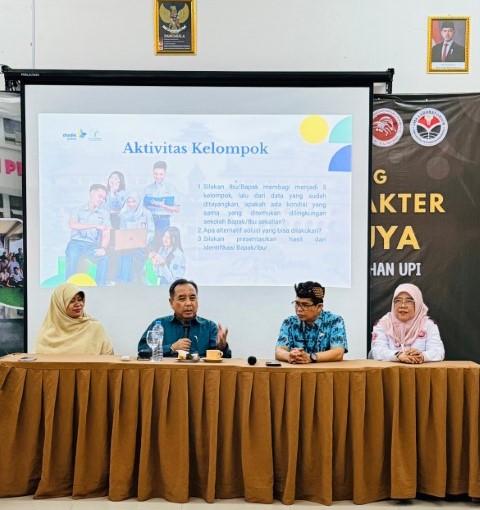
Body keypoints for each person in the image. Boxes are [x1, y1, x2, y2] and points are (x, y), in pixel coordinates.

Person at [138, 278, 231, 357]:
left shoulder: (209, 327)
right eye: (182, 299)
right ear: (171, 302)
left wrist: (222, 347)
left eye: (192, 298)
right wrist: (171, 348)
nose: (188, 303)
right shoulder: (159, 325)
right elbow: (143, 351)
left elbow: (224, 360)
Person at [275, 281, 347, 364]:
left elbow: (338, 353)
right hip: (297, 371)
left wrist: (310, 357)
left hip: (325, 371)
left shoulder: (335, 321)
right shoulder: (289, 322)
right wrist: (289, 356)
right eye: (297, 304)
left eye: (305, 305)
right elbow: (279, 351)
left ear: (319, 307)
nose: (299, 309)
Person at [371, 283, 445, 363]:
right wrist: (398, 355)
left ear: (418, 303)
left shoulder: (428, 324)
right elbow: (377, 351)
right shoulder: (383, 324)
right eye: (398, 301)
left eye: (409, 301)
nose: (403, 305)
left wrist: (422, 356)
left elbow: (438, 351)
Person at [35, 282, 114, 354]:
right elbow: (39, 361)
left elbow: (108, 357)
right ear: (59, 305)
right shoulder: (47, 334)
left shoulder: (94, 327)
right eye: (71, 301)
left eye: (80, 300)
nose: (78, 304)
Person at [65, 183, 111, 286]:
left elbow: (106, 233)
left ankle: (100, 288)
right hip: (76, 243)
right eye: (99, 196)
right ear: (91, 193)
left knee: (104, 259)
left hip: (92, 245)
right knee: (72, 257)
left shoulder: (104, 214)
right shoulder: (77, 210)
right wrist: (95, 226)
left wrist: (103, 248)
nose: (101, 200)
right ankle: (69, 288)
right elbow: (73, 225)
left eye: (103, 198)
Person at [116, 191, 155, 283]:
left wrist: (143, 242)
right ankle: (124, 281)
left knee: (136, 253)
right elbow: (122, 231)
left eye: (134, 202)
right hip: (128, 245)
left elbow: (151, 232)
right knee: (123, 254)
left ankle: (137, 279)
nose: (131, 204)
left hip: (144, 244)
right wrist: (127, 242)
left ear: (139, 201)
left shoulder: (147, 213)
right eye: (129, 202)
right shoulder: (124, 214)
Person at [143, 161, 180, 249]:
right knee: (148, 245)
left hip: (163, 221)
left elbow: (177, 209)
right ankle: (149, 259)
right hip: (150, 220)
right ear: (153, 173)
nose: (158, 176)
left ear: (165, 174)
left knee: (162, 245)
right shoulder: (147, 189)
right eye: (156, 174)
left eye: (161, 174)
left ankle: (161, 258)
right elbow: (142, 206)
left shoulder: (171, 188)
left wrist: (163, 206)